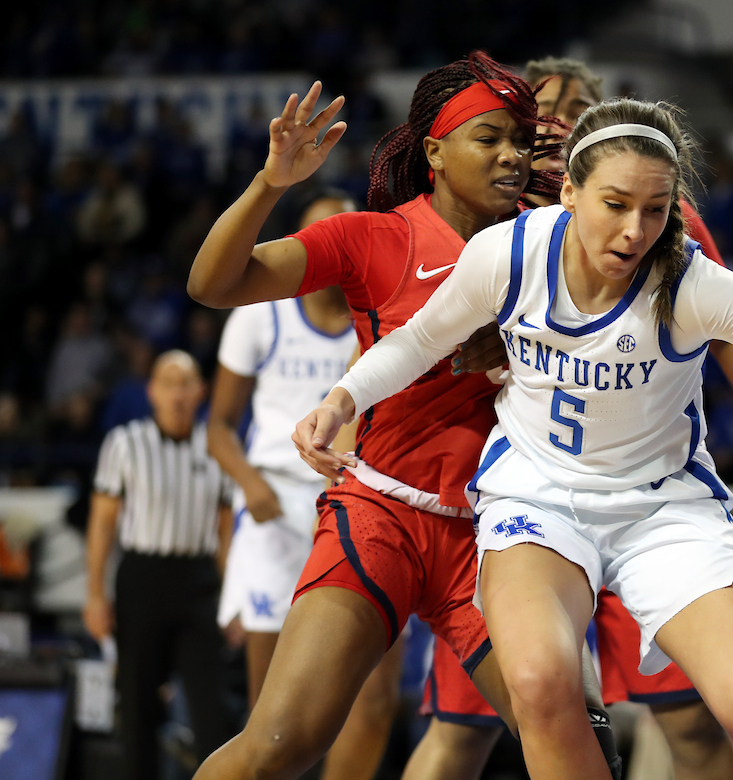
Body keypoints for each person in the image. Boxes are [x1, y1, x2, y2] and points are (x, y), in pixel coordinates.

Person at [298, 97, 733, 779]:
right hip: (537, 495)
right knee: (539, 685)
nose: (635, 229)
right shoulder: (509, 254)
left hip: (663, 509)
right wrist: (342, 397)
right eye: (616, 204)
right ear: (568, 190)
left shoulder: (689, 283)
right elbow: (420, 339)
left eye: (655, 210)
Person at [187, 54, 621, 780]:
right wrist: (272, 184)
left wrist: (523, 344)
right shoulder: (372, 238)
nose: (512, 154)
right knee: (277, 748)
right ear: (435, 152)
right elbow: (213, 283)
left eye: (520, 138)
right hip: (379, 519)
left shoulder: (555, 241)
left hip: (499, 535)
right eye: (489, 138)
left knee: (587, 755)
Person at [407, 55, 733, 780]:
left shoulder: (657, 223)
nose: (560, 119)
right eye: (547, 108)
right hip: (515, 499)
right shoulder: (491, 219)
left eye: (580, 105)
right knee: (474, 728)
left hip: (640, 495)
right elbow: (402, 336)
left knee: (695, 723)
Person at [208, 189, 405, 780]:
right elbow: (217, 426)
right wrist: (249, 485)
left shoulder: (382, 312)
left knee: (373, 699)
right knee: (273, 711)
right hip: (275, 505)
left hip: (357, 503)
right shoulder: (259, 313)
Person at [83, 350, 234, 779]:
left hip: (199, 580)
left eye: (185, 383)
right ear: (151, 391)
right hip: (141, 578)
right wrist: (95, 593)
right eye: (168, 383)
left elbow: (227, 531)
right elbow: (102, 522)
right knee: (137, 704)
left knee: (210, 707)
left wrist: (233, 595)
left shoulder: (217, 446)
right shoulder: (124, 443)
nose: (177, 393)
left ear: (201, 391)